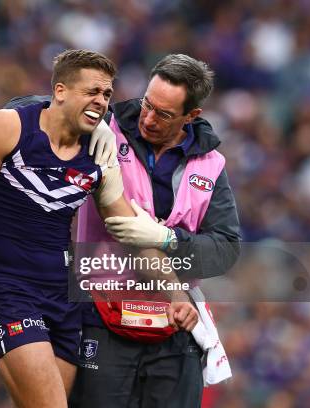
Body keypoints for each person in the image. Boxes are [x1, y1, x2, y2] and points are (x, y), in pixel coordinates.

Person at [0, 49, 198, 408]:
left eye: (106, 94)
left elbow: (131, 235)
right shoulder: (10, 127)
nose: (101, 102)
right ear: (59, 91)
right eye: (91, 91)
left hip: (64, 299)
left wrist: (177, 294)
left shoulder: (100, 154)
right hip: (9, 290)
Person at [68, 54, 242, 407]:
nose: (148, 118)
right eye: (147, 103)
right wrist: (91, 123)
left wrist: (169, 240)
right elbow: (34, 108)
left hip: (174, 324)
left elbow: (226, 250)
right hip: (102, 314)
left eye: (163, 114)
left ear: (191, 116)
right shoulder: (103, 127)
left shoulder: (211, 165)